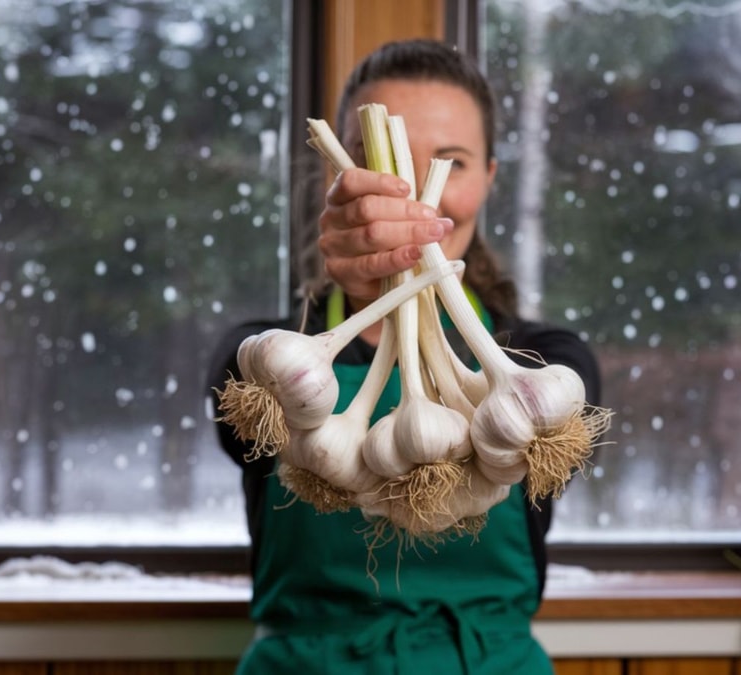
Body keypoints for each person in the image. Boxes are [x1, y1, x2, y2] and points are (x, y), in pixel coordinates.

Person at [206, 38, 602, 675]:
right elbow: (239, 410)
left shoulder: (548, 356)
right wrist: (373, 295)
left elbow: (554, 419)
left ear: (489, 178)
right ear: (339, 182)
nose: (414, 198)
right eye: (380, 166)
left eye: (451, 162)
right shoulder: (259, 354)